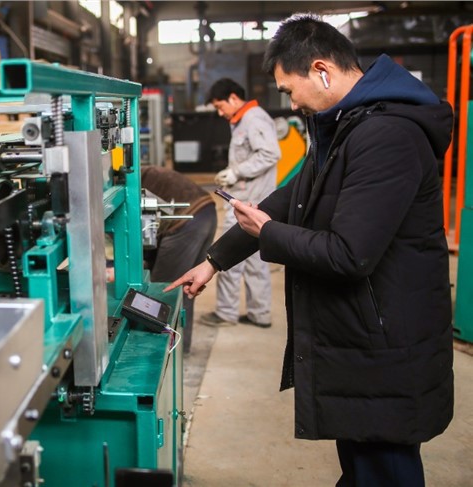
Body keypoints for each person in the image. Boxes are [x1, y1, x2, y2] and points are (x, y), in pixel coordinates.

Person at [166, 13, 453, 487]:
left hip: (385, 343)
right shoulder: (345, 127)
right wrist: (214, 261)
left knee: (385, 466)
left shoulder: (386, 135)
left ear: (321, 70)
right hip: (360, 337)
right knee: (362, 464)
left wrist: (268, 234)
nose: (291, 102)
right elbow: (290, 200)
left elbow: (349, 253)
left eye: (289, 89)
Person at [200, 78, 281, 329]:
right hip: (252, 200)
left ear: (233, 98)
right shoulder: (244, 120)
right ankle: (260, 313)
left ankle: (226, 313)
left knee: (227, 254)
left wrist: (236, 172)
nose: (219, 112)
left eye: (220, 106)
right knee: (255, 260)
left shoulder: (253, 119)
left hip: (248, 202)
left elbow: (270, 153)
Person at [141, 165, 217, 353]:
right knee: (187, 289)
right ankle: (182, 349)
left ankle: (161, 353)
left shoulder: (128, 184)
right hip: (208, 211)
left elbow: (143, 236)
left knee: (162, 292)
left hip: (187, 221)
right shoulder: (143, 173)